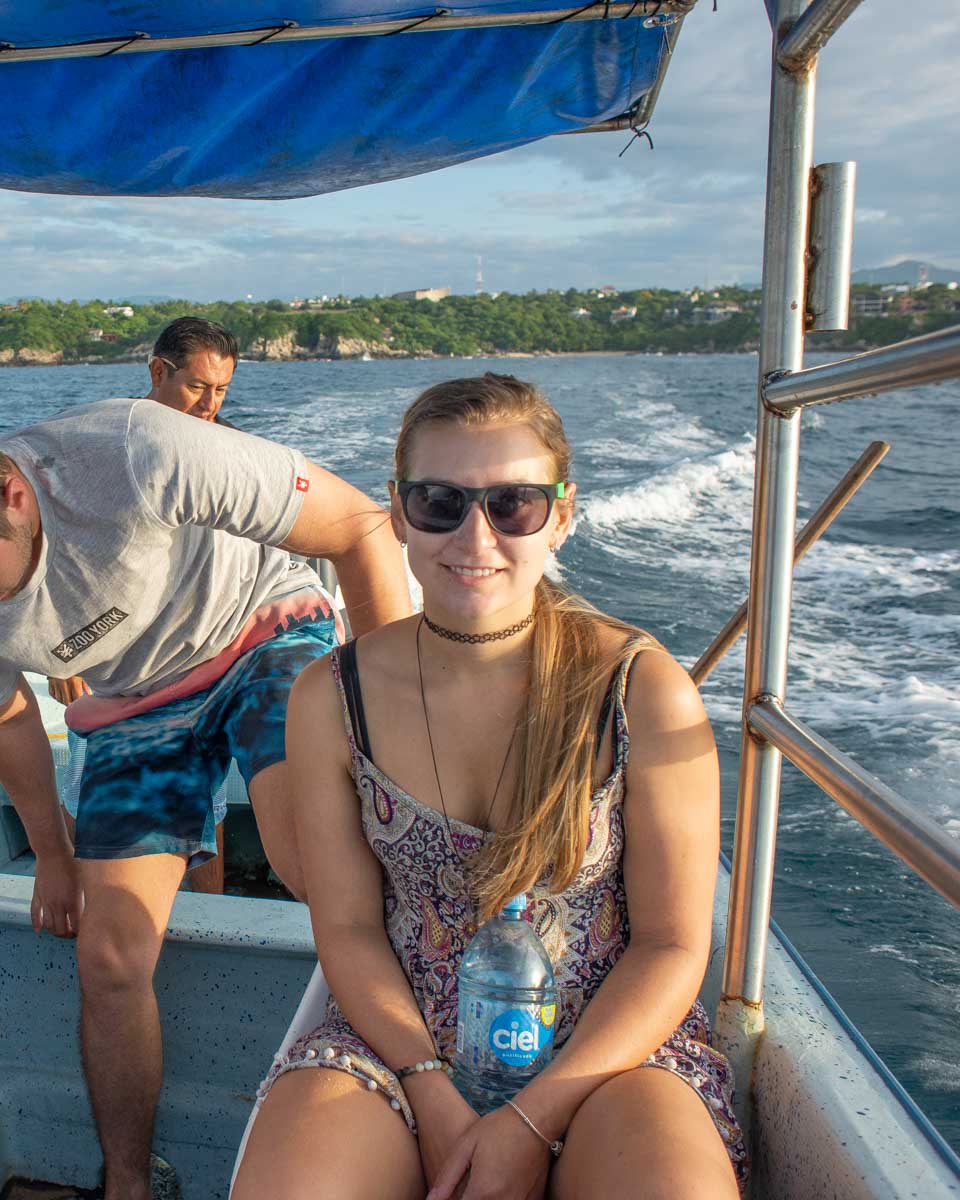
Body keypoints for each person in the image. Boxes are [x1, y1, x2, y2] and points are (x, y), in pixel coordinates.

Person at [233, 373, 748, 1199]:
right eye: (441, 502)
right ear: (399, 514)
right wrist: (431, 1090)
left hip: (607, 1054)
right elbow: (352, 930)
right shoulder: (332, 696)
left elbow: (671, 945)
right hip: (401, 1043)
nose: (475, 536)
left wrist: (535, 1116)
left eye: (513, 505)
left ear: (562, 516)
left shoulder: (639, 689)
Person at [0, 391, 411, 1200]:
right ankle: (128, 1181)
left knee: (312, 862)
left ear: (14, 495)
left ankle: (406, 1118)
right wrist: (51, 853)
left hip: (262, 629)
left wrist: (399, 748)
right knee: (110, 953)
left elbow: (360, 527)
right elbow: (13, 718)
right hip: (134, 700)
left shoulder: (133, 451)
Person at [51, 316, 244, 893]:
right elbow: (64, 559)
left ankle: (212, 943)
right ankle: (80, 912)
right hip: (112, 671)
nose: (210, 404)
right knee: (87, 804)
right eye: (198, 387)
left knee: (203, 817)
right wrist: (64, 659)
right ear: (159, 372)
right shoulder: (105, 447)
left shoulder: (234, 454)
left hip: (200, 668)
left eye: (222, 391)